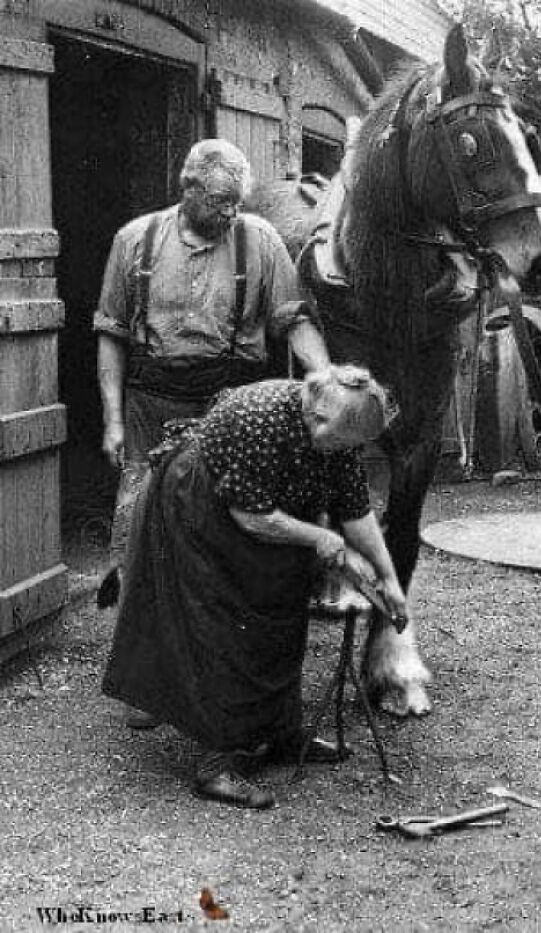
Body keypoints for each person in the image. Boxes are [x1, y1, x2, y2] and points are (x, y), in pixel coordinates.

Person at [101, 366, 406, 809]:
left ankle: (281, 733)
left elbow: (355, 510)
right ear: (318, 418)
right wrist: (320, 537)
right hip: (200, 503)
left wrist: (389, 579)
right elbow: (252, 517)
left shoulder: (339, 431)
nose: (344, 453)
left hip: (269, 510)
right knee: (225, 620)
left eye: (349, 447)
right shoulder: (259, 416)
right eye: (339, 443)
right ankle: (218, 763)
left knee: (282, 612)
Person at [93, 138, 330, 607]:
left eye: (237, 203)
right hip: (151, 404)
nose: (231, 214)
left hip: (230, 401)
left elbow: (293, 319)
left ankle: (223, 621)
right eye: (221, 202)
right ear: (189, 188)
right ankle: (140, 615)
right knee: (140, 515)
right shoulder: (134, 240)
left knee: (233, 520)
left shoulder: (260, 240)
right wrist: (113, 421)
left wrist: (323, 374)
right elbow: (111, 335)